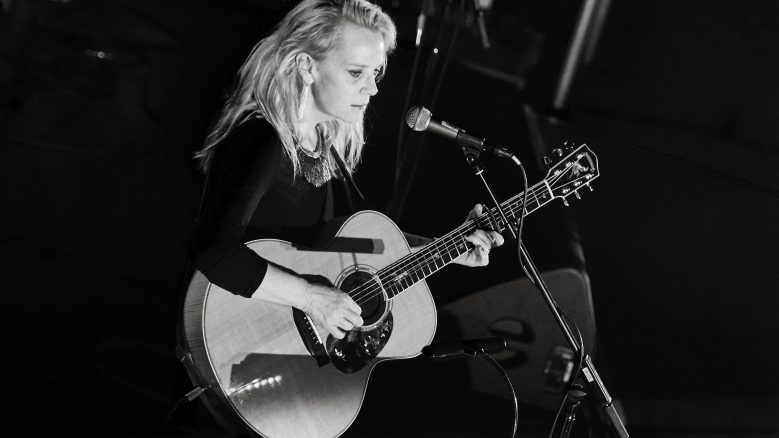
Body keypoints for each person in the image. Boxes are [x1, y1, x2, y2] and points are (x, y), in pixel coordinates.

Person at [188, 0, 504, 342]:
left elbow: (339, 255)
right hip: (237, 334)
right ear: (307, 66)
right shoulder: (264, 140)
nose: (372, 89)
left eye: (375, 73)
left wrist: (447, 248)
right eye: (356, 72)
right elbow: (213, 250)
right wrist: (312, 299)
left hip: (280, 339)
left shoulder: (324, 142)